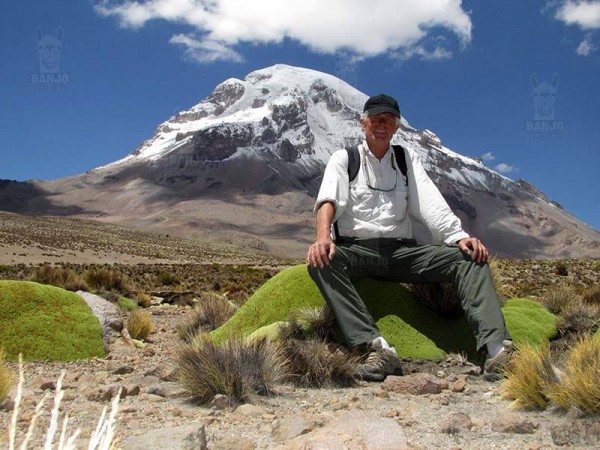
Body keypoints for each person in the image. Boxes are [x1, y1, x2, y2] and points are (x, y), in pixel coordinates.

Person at [306, 94, 512, 382]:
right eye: (376, 119)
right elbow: (328, 199)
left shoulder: (405, 160)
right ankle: (376, 348)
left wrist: (458, 236)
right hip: (356, 251)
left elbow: (429, 202)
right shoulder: (345, 158)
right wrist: (322, 236)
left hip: (402, 253)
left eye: (388, 120)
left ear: (396, 127)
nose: (381, 125)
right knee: (321, 262)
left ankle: (498, 351)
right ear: (363, 123)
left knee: (468, 258)